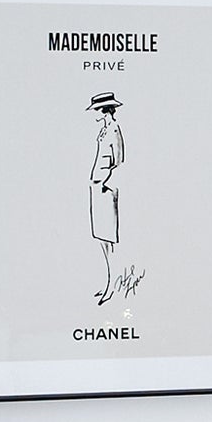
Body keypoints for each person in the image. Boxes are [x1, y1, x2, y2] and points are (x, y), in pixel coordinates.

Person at [87, 92, 124, 306]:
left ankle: (112, 283)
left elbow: (118, 161)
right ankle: (108, 280)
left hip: (105, 188)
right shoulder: (104, 130)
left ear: (104, 110)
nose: (94, 114)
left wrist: (104, 183)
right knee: (101, 237)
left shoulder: (114, 130)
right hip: (97, 186)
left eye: (95, 110)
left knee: (109, 238)